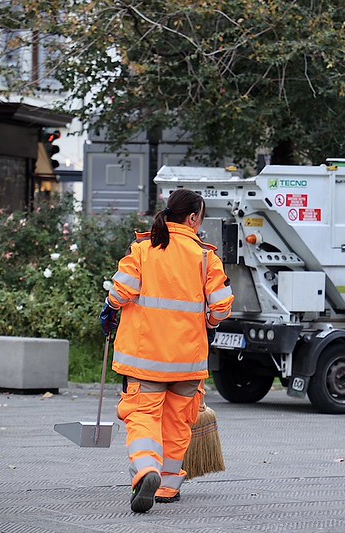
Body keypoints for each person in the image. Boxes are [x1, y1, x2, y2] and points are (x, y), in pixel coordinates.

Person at [99, 188, 234, 514]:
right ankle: (169, 488)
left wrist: (109, 308)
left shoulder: (144, 249)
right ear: (192, 218)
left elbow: (122, 290)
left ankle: (147, 470)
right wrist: (210, 323)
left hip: (145, 360)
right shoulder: (205, 256)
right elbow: (221, 306)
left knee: (143, 416)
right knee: (177, 423)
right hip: (187, 363)